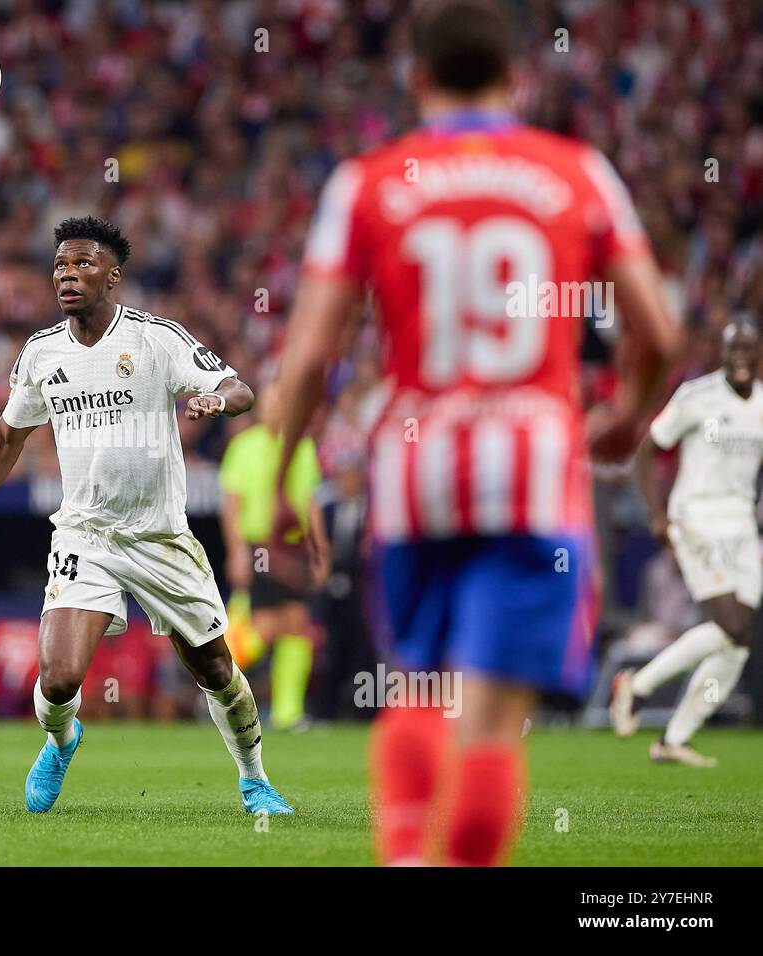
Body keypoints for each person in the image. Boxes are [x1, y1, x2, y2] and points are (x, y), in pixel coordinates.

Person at [268, 0, 679, 864]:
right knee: (492, 717)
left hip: (415, 468)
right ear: (518, 79)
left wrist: (283, 479)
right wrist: (624, 416)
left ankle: (409, 853)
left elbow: (308, 362)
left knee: (418, 683)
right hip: (535, 464)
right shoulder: (578, 172)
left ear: (416, 80)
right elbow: (662, 334)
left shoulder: (368, 181)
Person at [0, 216, 294, 815]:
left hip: (160, 536)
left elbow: (240, 387)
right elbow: (5, 440)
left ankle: (254, 779)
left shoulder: (155, 339)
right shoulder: (41, 353)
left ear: (113, 277)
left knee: (218, 670)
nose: (67, 275)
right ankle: (61, 741)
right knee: (59, 678)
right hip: (85, 533)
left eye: (83, 264)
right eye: (60, 265)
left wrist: (215, 400)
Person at [612, 319, 762, 766]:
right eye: (731, 348)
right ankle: (638, 684)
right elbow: (646, 450)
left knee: (737, 645)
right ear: (721, 352)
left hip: (741, 526)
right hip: (697, 518)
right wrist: (658, 515)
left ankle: (673, 739)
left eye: (747, 349)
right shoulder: (697, 397)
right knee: (731, 625)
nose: (738, 357)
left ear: (757, 353)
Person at [219, 386, 329, 731]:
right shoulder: (244, 447)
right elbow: (232, 506)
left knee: (296, 625)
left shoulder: (303, 447)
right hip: (261, 549)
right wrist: (237, 551)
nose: (276, 409)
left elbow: (310, 504)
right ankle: (213, 682)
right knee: (263, 626)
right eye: (271, 403)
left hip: (293, 551)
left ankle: (287, 713)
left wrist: (320, 549)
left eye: (282, 402)